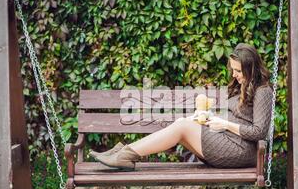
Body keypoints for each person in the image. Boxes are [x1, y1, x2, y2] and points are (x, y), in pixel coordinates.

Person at [89, 43, 273, 170]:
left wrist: (224, 125)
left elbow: (259, 132)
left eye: (238, 70)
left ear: (251, 68)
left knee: (182, 126)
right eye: (232, 69)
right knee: (184, 121)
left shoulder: (263, 91)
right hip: (228, 141)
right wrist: (209, 118)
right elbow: (235, 116)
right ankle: (123, 152)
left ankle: (125, 155)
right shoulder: (241, 86)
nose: (233, 75)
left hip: (242, 151)